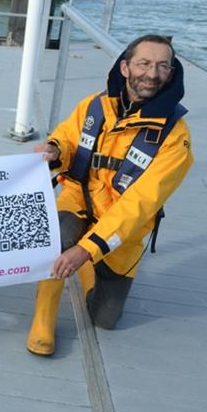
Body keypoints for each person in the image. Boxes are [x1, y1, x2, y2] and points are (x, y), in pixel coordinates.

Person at [27, 34, 194, 356]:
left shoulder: (176, 138)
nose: (152, 73)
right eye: (144, 63)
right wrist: (54, 150)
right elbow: (67, 137)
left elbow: (139, 205)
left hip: (122, 232)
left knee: (105, 318)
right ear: (126, 67)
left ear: (171, 73)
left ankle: (91, 266)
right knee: (57, 235)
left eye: (163, 66)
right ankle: (43, 317)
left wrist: (87, 251)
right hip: (78, 202)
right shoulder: (93, 105)